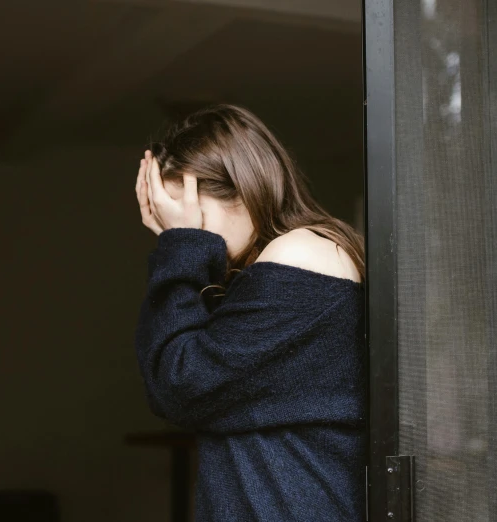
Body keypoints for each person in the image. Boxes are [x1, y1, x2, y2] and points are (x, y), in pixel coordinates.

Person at [132, 104, 366, 521]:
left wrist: (180, 247)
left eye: (193, 218)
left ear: (244, 188)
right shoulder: (266, 272)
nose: (189, 236)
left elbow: (180, 385)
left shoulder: (303, 253)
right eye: (176, 225)